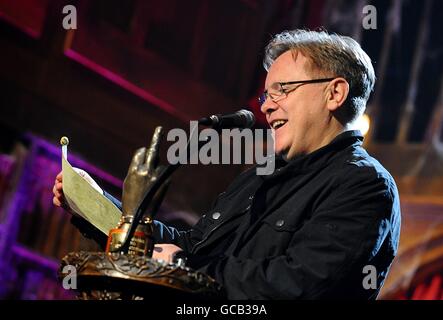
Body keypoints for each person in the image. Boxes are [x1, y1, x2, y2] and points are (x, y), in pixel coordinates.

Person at [53, 29, 401, 299]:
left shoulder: (364, 187)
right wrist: (95, 203)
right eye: (268, 94)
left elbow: (299, 284)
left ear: (335, 93)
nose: (266, 106)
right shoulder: (259, 176)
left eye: (283, 89)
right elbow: (191, 245)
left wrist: (185, 267)